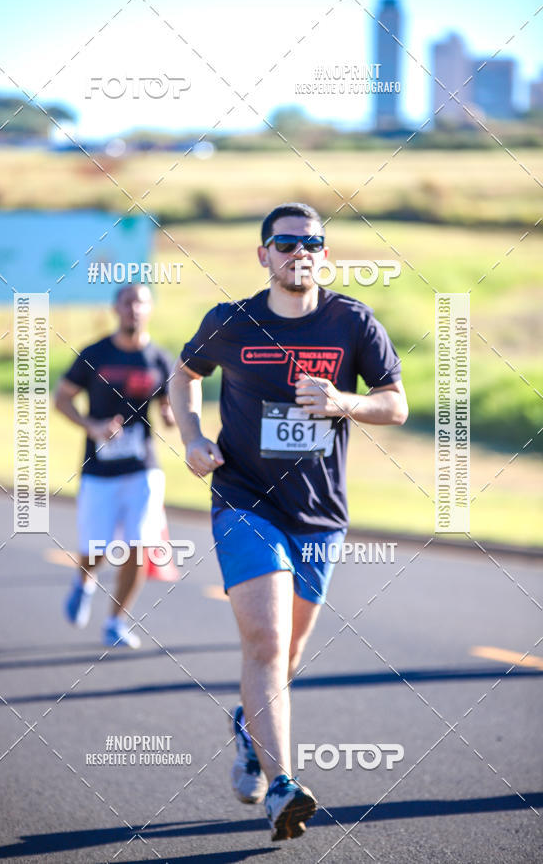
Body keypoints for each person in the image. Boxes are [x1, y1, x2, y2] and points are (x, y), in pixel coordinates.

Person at [169, 202, 408, 841]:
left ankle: (249, 728)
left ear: (323, 253)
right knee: (267, 644)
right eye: (285, 243)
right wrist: (191, 436)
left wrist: (344, 401)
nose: (299, 252)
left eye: (312, 242)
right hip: (245, 499)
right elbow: (182, 378)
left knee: (290, 654)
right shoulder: (232, 321)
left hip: (320, 513)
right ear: (264, 255)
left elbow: (395, 404)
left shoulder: (352, 321)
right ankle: (283, 788)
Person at [54, 284, 175, 648]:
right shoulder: (95, 354)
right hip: (100, 470)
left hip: (142, 469)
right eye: (127, 302)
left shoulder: (159, 359)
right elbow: (62, 398)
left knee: (140, 542)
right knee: (97, 548)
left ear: (150, 309)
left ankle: (116, 621)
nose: (134, 309)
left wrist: (171, 415)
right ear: (116, 309)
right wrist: (91, 426)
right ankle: (83, 581)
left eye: (141, 302)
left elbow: (171, 405)